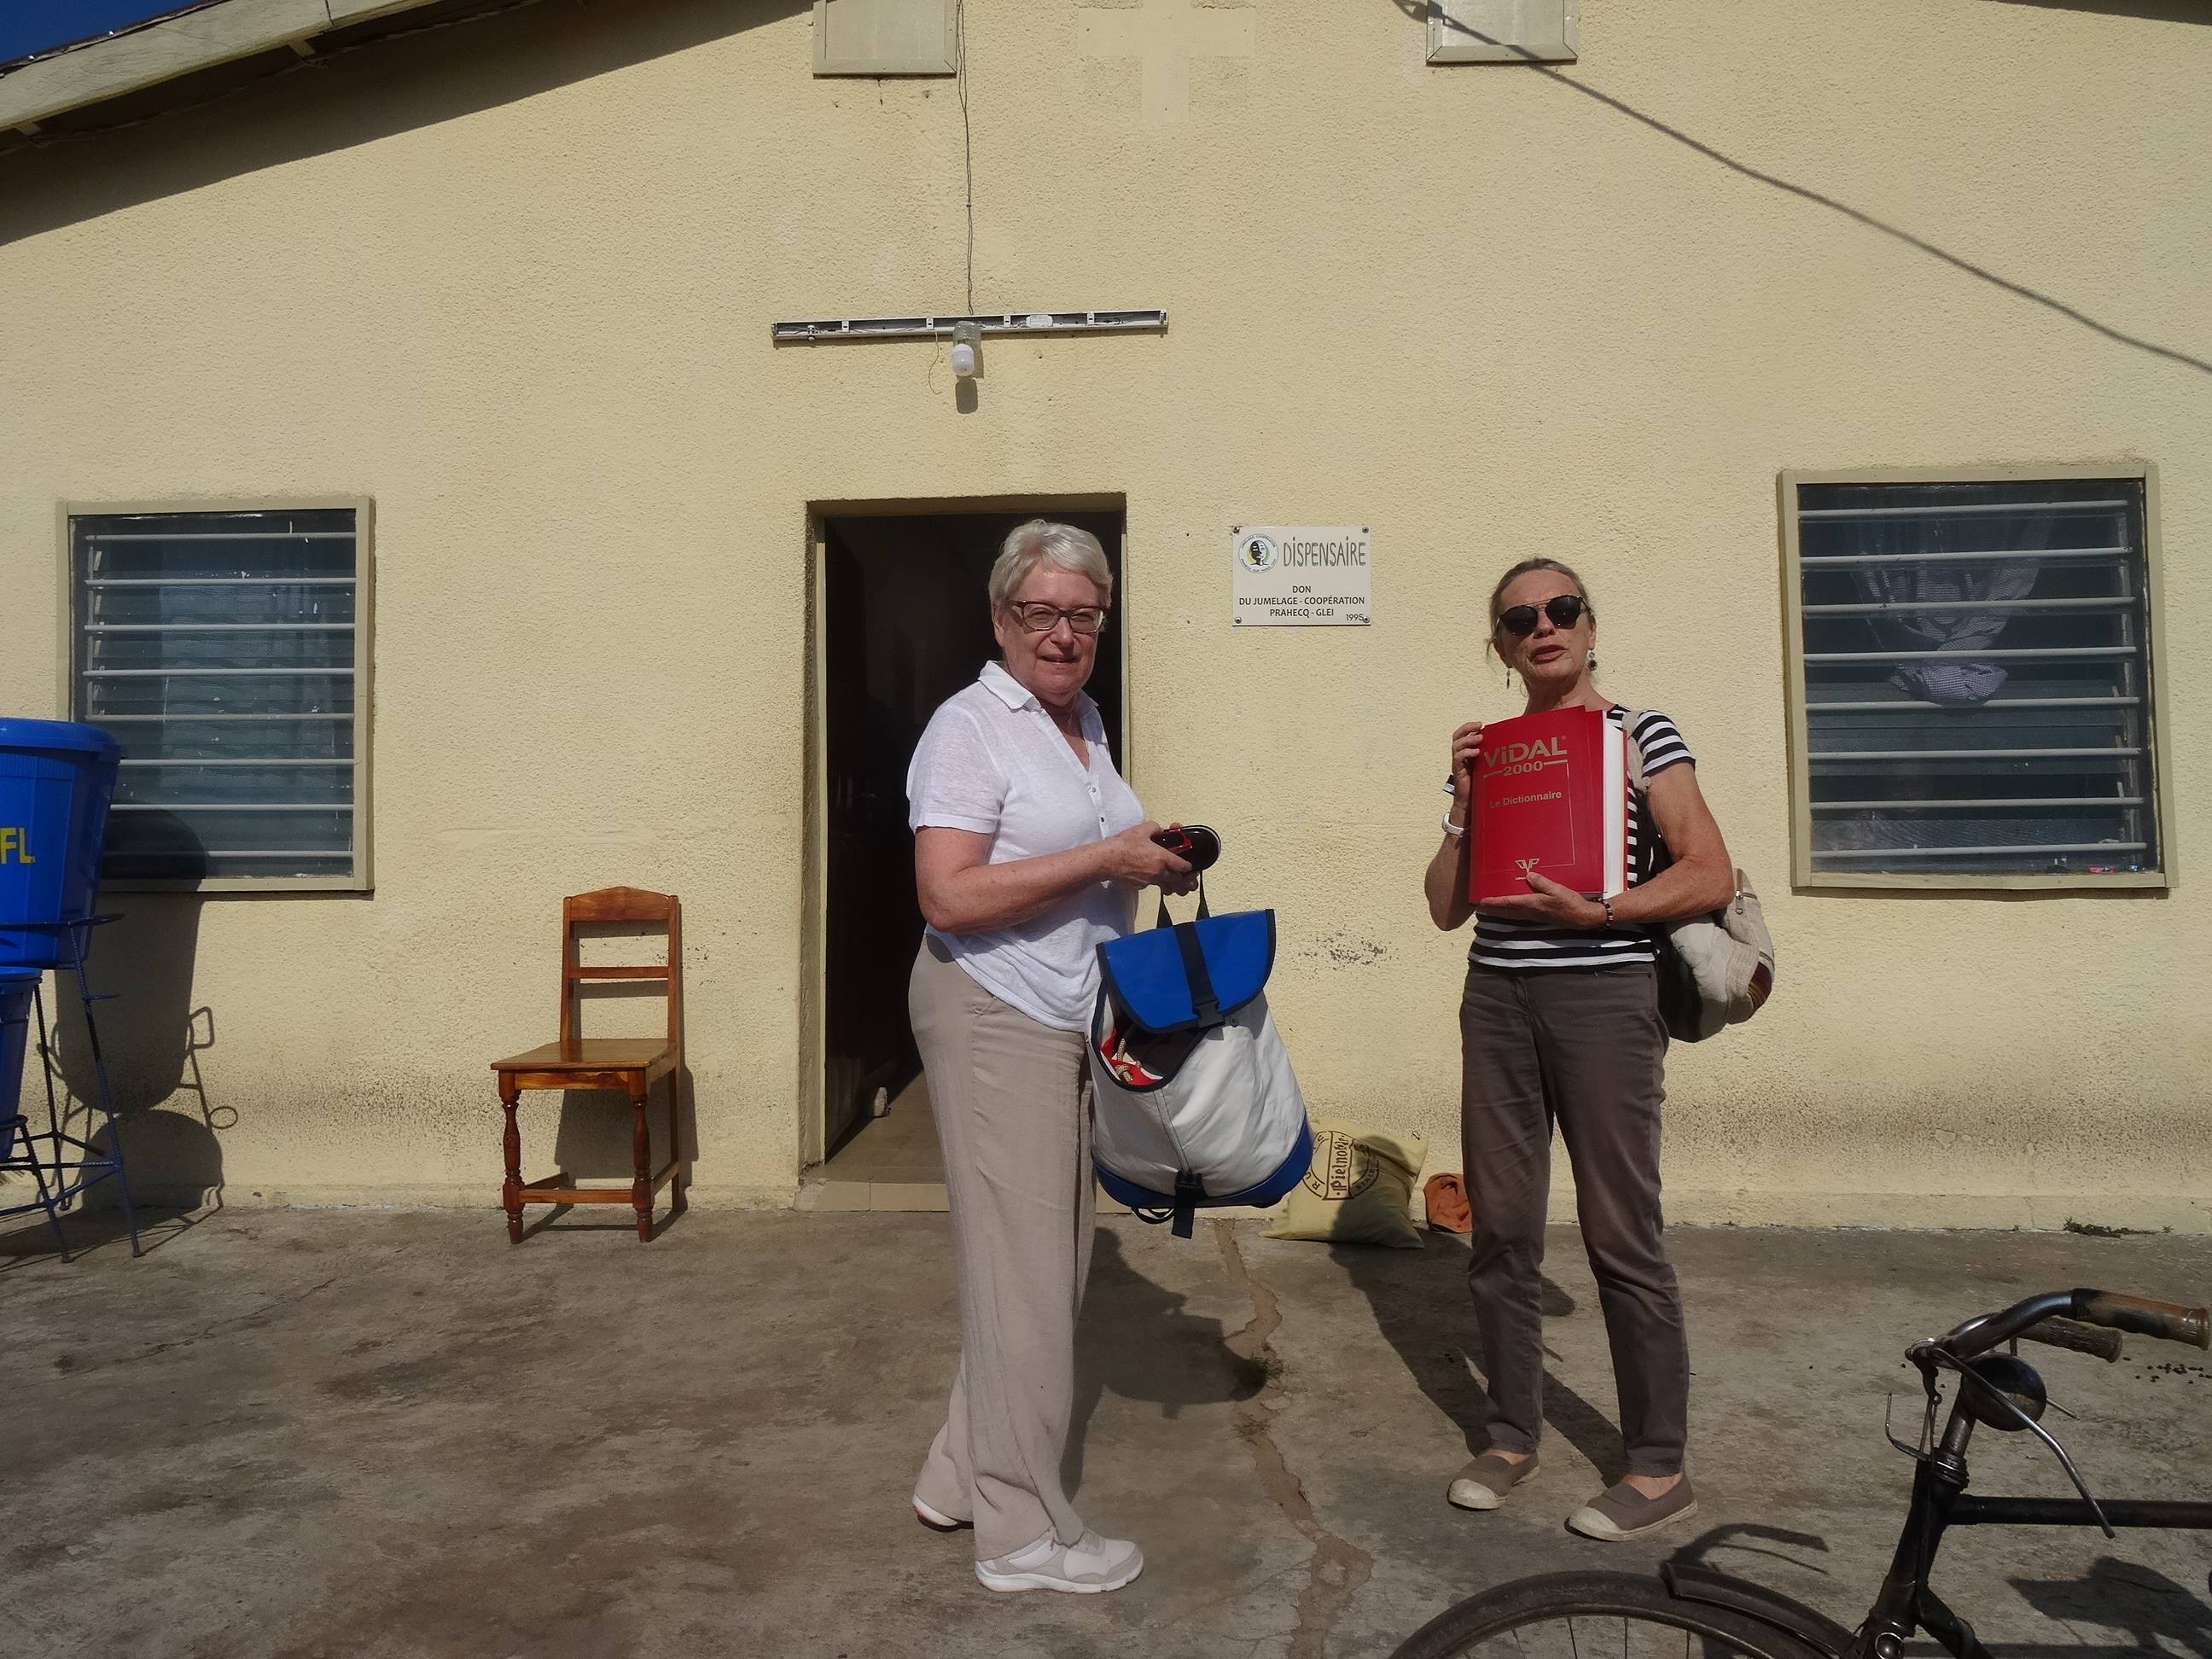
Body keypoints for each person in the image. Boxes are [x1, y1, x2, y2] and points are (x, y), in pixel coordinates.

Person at [904, 519, 1195, 1593]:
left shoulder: (1081, 724)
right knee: (1025, 1277)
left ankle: (955, 1480)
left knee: (1037, 1268)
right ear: (1001, 618)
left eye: (1084, 615)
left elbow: (1079, 849)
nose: (1064, 634)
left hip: (1065, 1014)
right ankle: (1021, 1537)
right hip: (995, 1010)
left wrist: (1145, 858)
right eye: (1042, 613)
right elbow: (948, 894)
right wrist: (1106, 856)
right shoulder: (969, 727)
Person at [1422, 557, 1738, 1542]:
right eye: (1520, 619)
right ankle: (1510, 1437)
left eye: (1561, 609)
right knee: (1502, 1229)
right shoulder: (1494, 752)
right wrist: (1463, 802)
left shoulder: (1642, 735)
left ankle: (1657, 1465)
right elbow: (1443, 907)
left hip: (1605, 997)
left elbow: (1710, 873)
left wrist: (1603, 909)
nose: (1543, 627)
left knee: (1620, 1234)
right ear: (1501, 645)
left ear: (1591, 626)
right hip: (1496, 997)